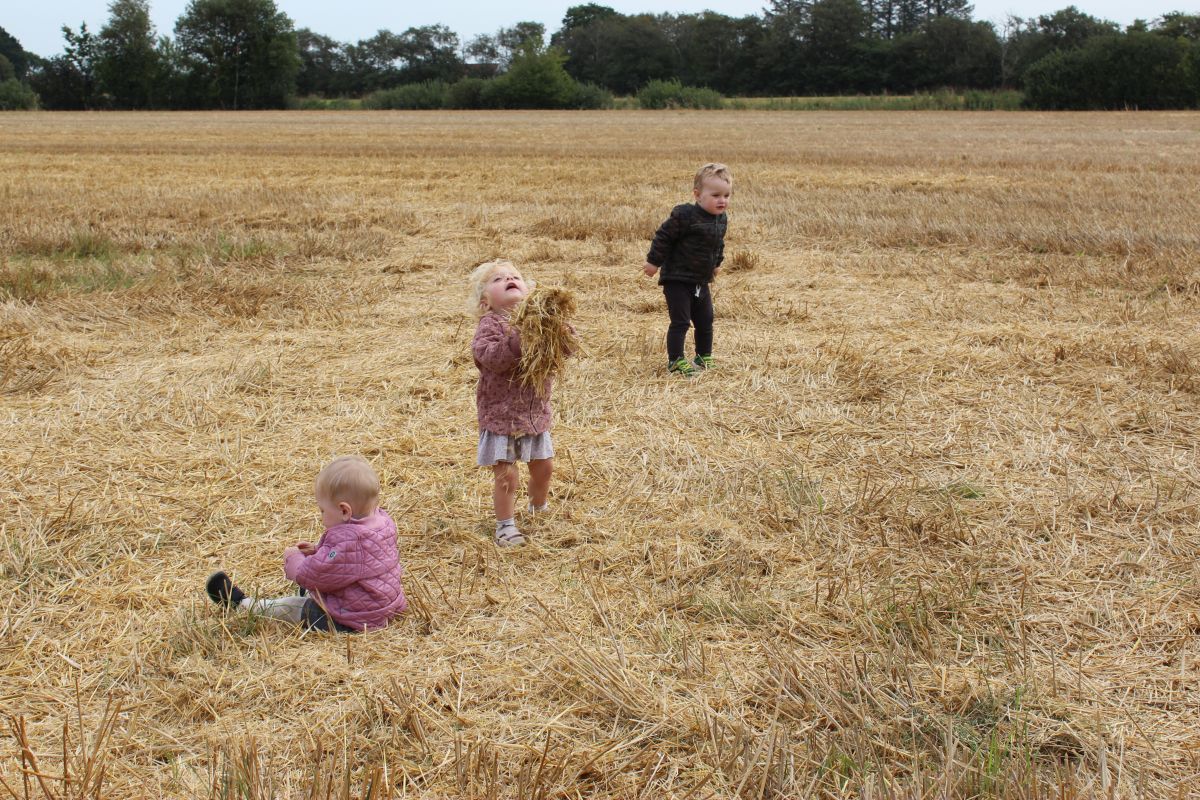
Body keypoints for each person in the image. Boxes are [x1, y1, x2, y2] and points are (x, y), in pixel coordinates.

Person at [205, 455, 406, 632]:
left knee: (293, 606)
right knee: (312, 591)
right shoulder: (382, 524)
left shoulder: (350, 541)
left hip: (353, 619)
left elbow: (314, 574)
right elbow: (356, 564)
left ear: (344, 511)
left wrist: (294, 560)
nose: (321, 516)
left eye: (322, 511)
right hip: (384, 608)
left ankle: (243, 605)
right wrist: (319, 551)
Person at [469, 260, 565, 547]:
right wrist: (520, 338)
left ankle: (538, 508)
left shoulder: (539, 319)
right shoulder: (490, 325)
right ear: (485, 302)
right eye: (498, 279)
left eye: (514, 276)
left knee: (544, 468)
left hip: (534, 413)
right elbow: (492, 358)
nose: (509, 279)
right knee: (507, 476)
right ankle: (505, 525)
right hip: (502, 416)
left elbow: (566, 347)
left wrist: (559, 326)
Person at [642, 163, 732, 377]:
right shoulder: (685, 216)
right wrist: (653, 262)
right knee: (681, 321)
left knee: (706, 319)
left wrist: (717, 263)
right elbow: (663, 237)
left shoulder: (721, 219)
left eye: (727, 195)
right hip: (677, 280)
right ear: (698, 195)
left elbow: (718, 244)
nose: (722, 200)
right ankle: (675, 360)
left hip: (701, 280)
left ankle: (703, 356)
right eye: (716, 195)